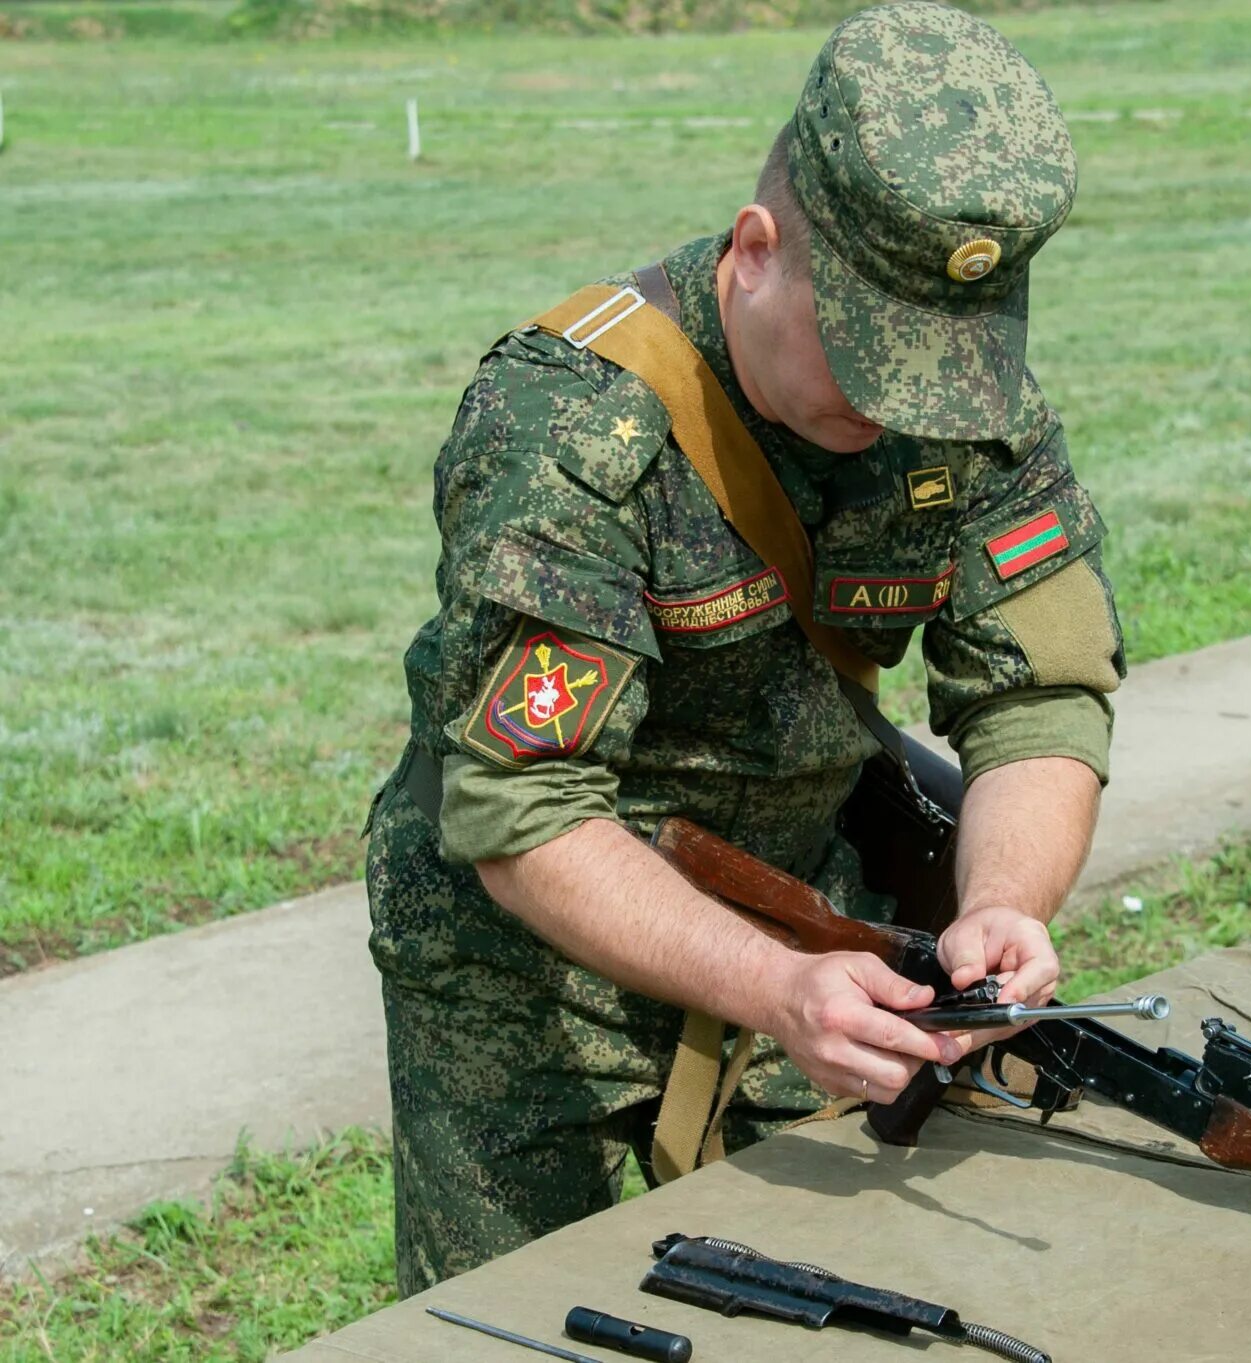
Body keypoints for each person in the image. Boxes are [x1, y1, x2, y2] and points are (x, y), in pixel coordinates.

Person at [362, 0, 1124, 1298]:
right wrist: (777, 989)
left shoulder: (966, 407)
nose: (898, 404)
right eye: (868, 348)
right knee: (530, 1321)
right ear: (756, 252)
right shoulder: (566, 438)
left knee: (838, 1308)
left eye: (939, 363)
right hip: (534, 985)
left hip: (817, 924)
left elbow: (1039, 695)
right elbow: (525, 807)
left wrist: (1003, 901)